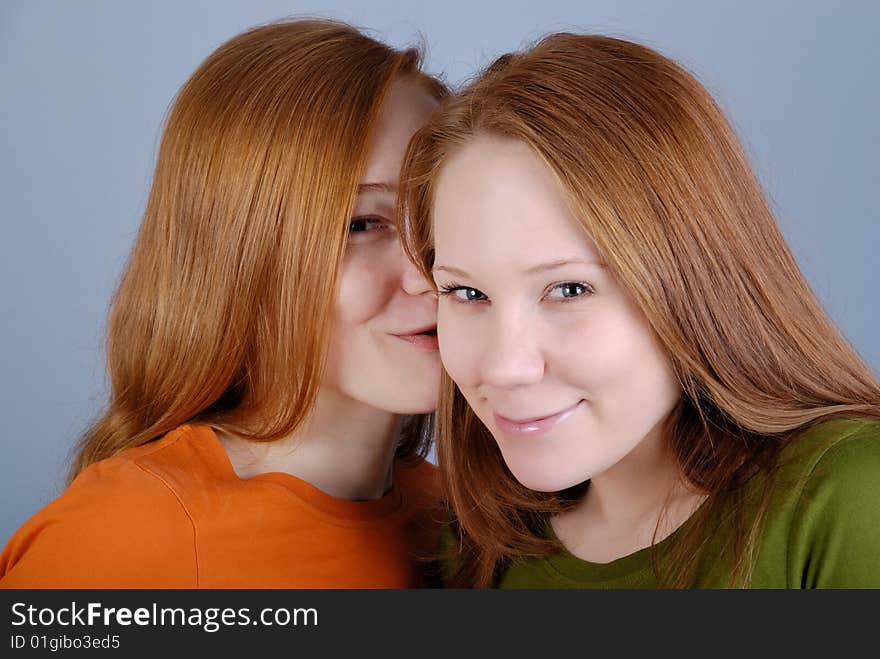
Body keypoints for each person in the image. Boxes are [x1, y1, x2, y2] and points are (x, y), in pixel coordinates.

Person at [398, 33, 880, 588]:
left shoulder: (848, 498)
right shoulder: (475, 544)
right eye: (467, 294)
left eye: (570, 290)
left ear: (697, 280)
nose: (504, 366)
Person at [0, 19, 447, 588]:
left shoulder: (466, 527)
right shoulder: (124, 540)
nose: (430, 272)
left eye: (440, 214)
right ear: (240, 251)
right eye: (361, 224)